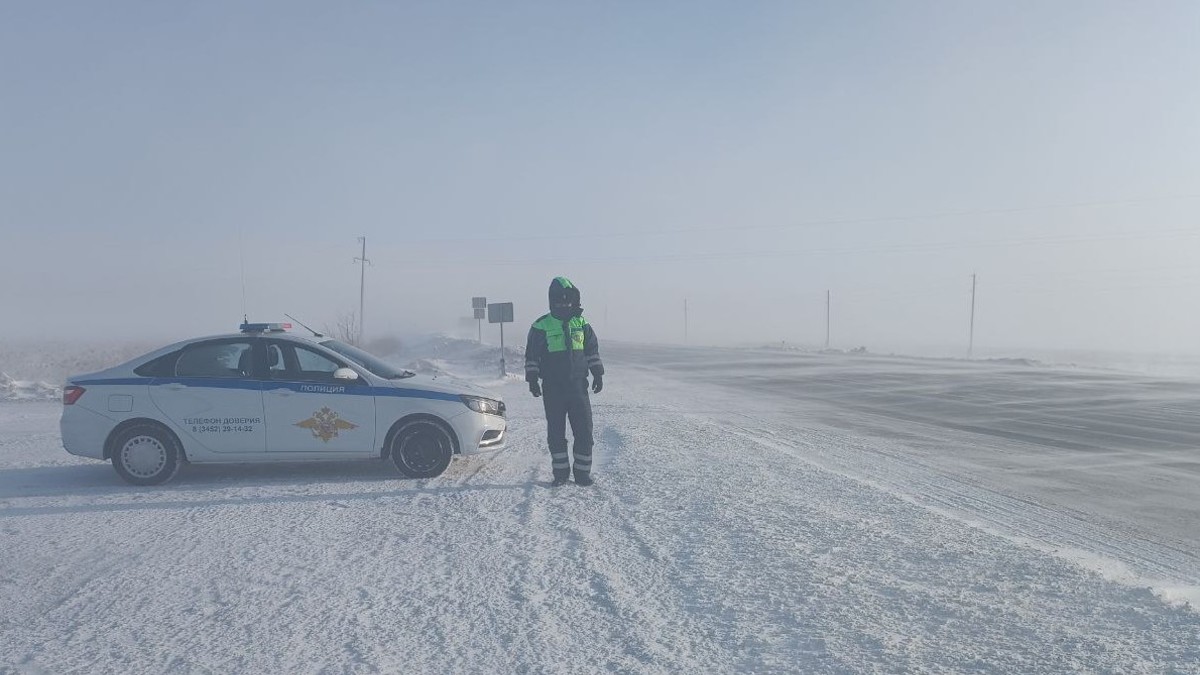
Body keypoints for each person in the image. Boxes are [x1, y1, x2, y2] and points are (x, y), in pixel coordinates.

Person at [524, 277, 604, 486]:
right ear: (552, 301)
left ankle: (582, 473)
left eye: (567, 300)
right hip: (553, 389)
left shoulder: (582, 324)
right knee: (556, 434)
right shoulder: (541, 325)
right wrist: (532, 379)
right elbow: (532, 356)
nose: (564, 304)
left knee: (584, 432)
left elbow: (592, 351)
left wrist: (598, 374)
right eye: (559, 301)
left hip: (579, 388)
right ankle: (560, 475)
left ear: (574, 301)